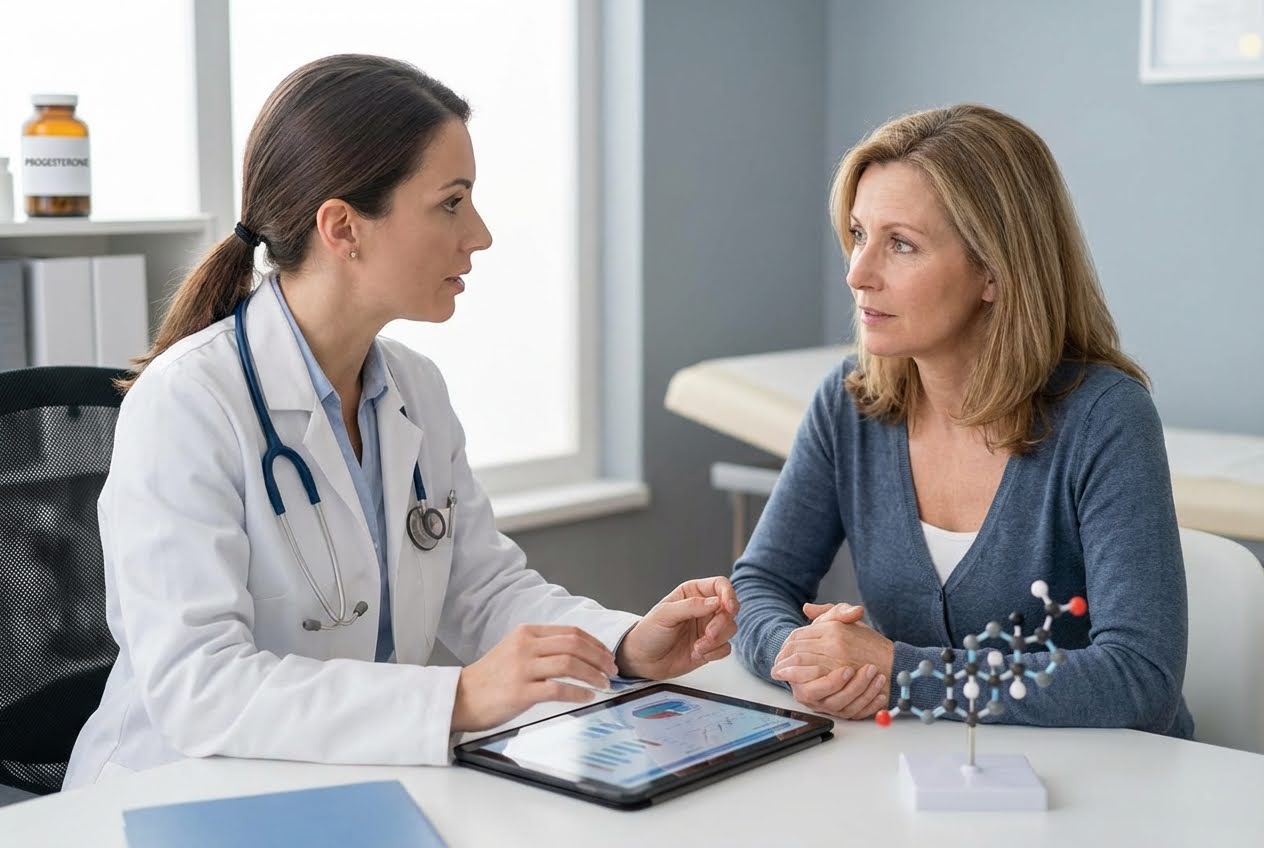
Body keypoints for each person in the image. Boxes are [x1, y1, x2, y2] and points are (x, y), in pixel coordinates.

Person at [64, 54, 738, 788]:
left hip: (350, 780)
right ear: (343, 228)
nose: (478, 234)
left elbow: (480, 589)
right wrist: (459, 696)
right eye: (451, 202)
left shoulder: (414, 389)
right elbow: (202, 690)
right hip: (179, 794)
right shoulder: (188, 403)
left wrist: (627, 644)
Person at [731, 104, 1192, 737]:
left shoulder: (1105, 419)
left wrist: (897, 671)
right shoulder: (847, 404)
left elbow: (1139, 681)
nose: (857, 273)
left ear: (994, 273)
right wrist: (806, 657)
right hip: (930, 784)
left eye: (901, 245)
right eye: (860, 235)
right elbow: (761, 583)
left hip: (1108, 799)